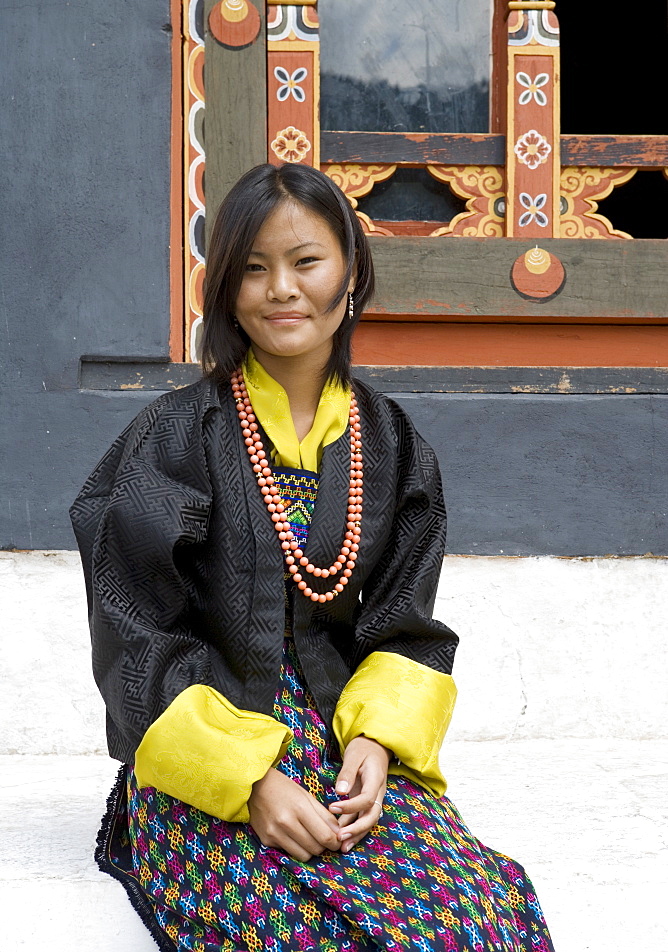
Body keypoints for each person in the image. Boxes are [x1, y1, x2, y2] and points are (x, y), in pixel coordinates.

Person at [70, 163, 555, 952]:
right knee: (304, 930)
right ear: (226, 288)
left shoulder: (393, 445)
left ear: (351, 273)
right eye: (253, 268)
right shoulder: (173, 438)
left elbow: (405, 624)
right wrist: (249, 781)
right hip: (203, 749)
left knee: (474, 916)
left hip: (337, 738)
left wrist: (375, 743)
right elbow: (135, 632)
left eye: (305, 262)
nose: (280, 289)